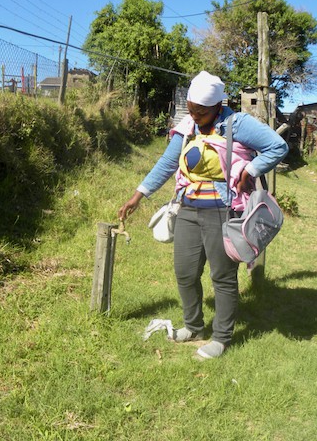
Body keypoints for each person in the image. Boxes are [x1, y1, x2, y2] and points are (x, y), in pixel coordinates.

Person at [118, 71, 288, 359]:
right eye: (192, 109)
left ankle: (221, 338)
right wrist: (138, 195)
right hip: (187, 209)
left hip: (222, 212)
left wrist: (251, 169)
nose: (195, 115)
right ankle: (194, 326)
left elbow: (278, 146)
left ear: (218, 106)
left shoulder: (237, 124)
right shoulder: (189, 127)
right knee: (185, 272)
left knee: (222, 276)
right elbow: (168, 162)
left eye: (201, 111)